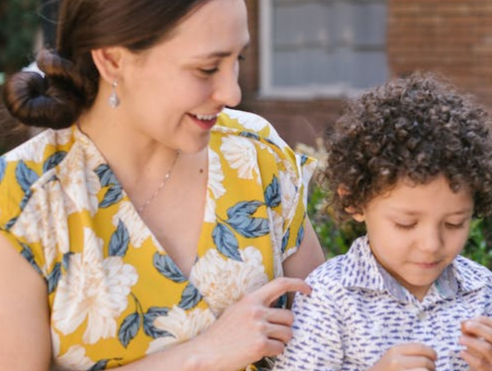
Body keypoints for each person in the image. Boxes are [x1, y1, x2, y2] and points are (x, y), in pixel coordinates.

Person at [0, 0, 326, 370]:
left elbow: (329, 331)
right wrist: (205, 353)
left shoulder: (257, 154)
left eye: (238, 60)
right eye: (207, 68)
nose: (231, 93)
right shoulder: (24, 197)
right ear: (112, 60)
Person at [272, 72, 492, 371]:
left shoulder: (482, 291)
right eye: (405, 223)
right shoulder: (330, 297)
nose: (431, 245)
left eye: (453, 224)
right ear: (354, 200)